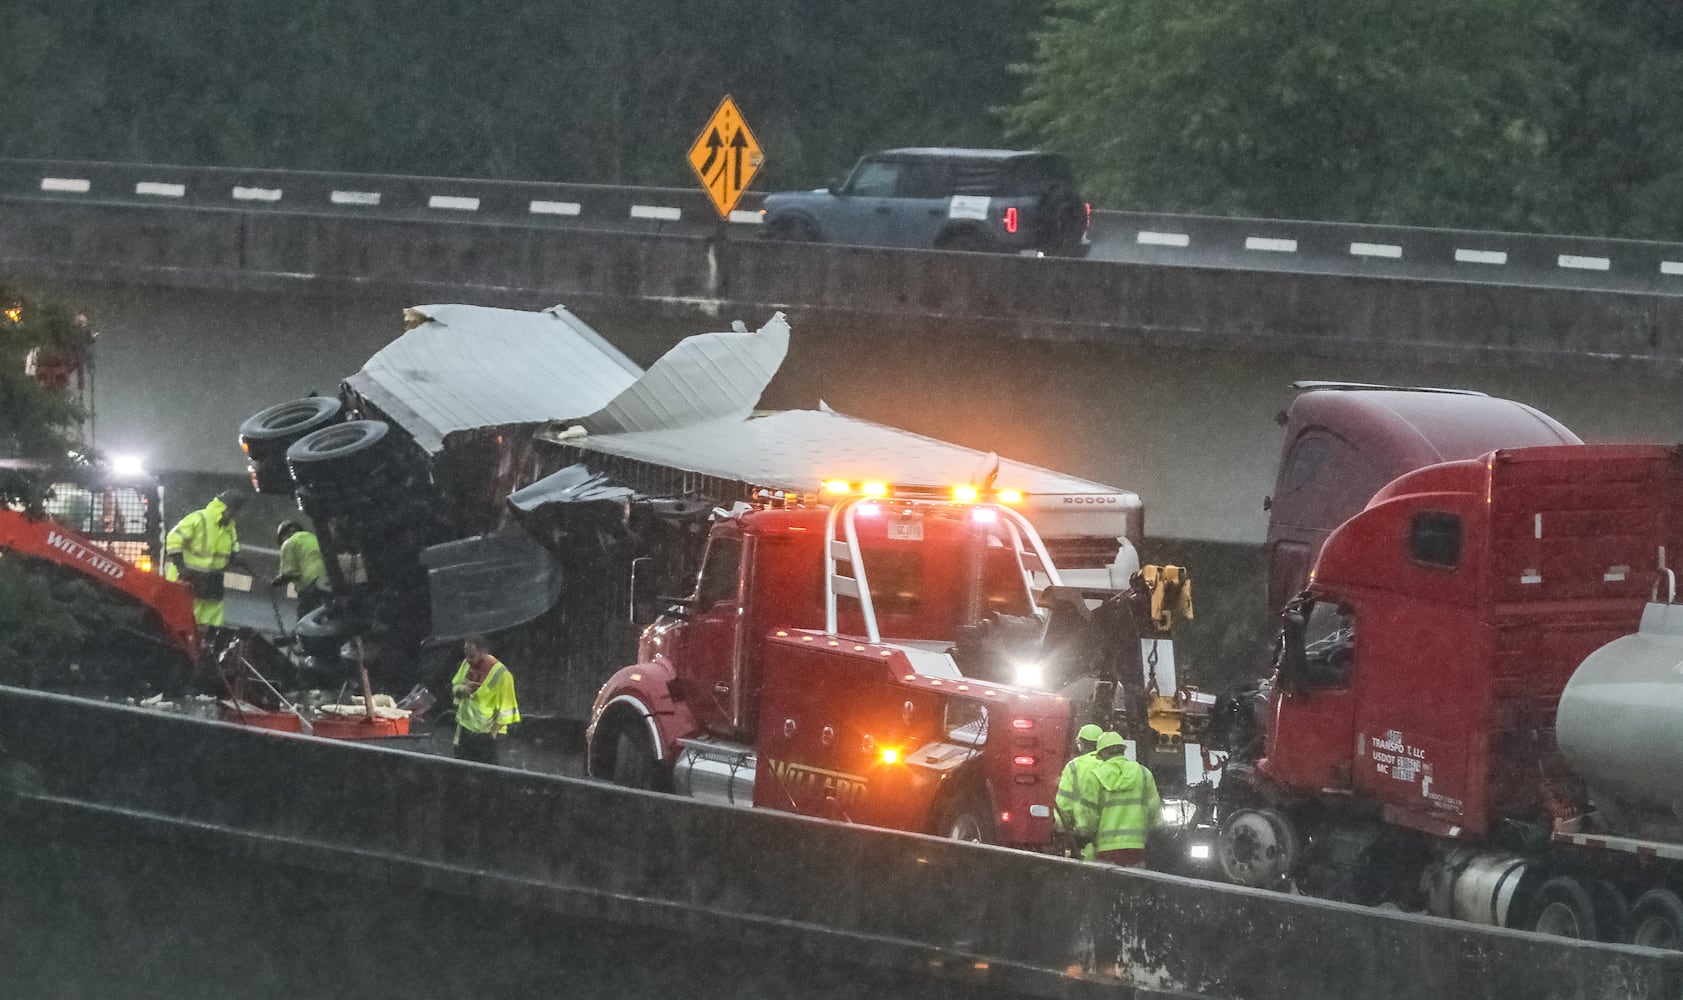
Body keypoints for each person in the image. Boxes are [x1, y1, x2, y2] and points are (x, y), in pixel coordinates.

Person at [1072, 731, 1164, 867]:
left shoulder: (1095, 775)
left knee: (1109, 886)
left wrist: (1083, 833)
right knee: (1132, 885)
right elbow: (1154, 811)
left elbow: (1089, 814)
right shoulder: (1143, 773)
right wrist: (1155, 832)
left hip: (1106, 849)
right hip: (1136, 847)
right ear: (1122, 750)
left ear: (1102, 753)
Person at [165, 489, 248, 627]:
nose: (235, 516)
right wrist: (181, 567)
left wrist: (236, 557)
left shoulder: (230, 528)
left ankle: (206, 643)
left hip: (212, 584)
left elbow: (233, 548)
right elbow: (173, 540)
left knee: (211, 622)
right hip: (187, 581)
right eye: (235, 511)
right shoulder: (198, 519)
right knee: (182, 622)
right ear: (225, 508)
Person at [451, 636, 520, 764]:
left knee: (485, 775)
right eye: (466, 655)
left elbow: (507, 712)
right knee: (460, 769)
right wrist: (462, 690)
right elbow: (456, 686)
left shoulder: (502, 675)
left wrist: (492, 736)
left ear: (483, 651)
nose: (468, 659)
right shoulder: (466, 664)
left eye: (471, 655)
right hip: (465, 731)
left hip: (487, 735)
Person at [1054, 723, 1104, 858]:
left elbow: (1064, 803)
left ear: (1081, 744)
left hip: (1081, 835)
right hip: (1108, 836)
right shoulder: (1109, 764)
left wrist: (1060, 828)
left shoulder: (1074, 766)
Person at [272, 520, 329, 618]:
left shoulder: (289, 543)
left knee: (306, 617)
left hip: (311, 584)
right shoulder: (313, 537)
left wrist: (276, 582)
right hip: (328, 581)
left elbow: (290, 573)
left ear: (284, 535)